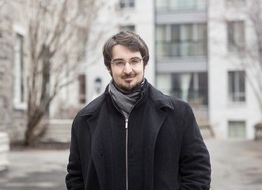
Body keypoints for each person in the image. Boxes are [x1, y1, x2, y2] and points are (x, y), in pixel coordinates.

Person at [65, 30, 211, 190]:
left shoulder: (178, 113)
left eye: (134, 61)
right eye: (119, 62)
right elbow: (75, 177)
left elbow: (198, 172)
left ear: (144, 63)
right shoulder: (85, 118)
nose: (128, 70)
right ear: (109, 67)